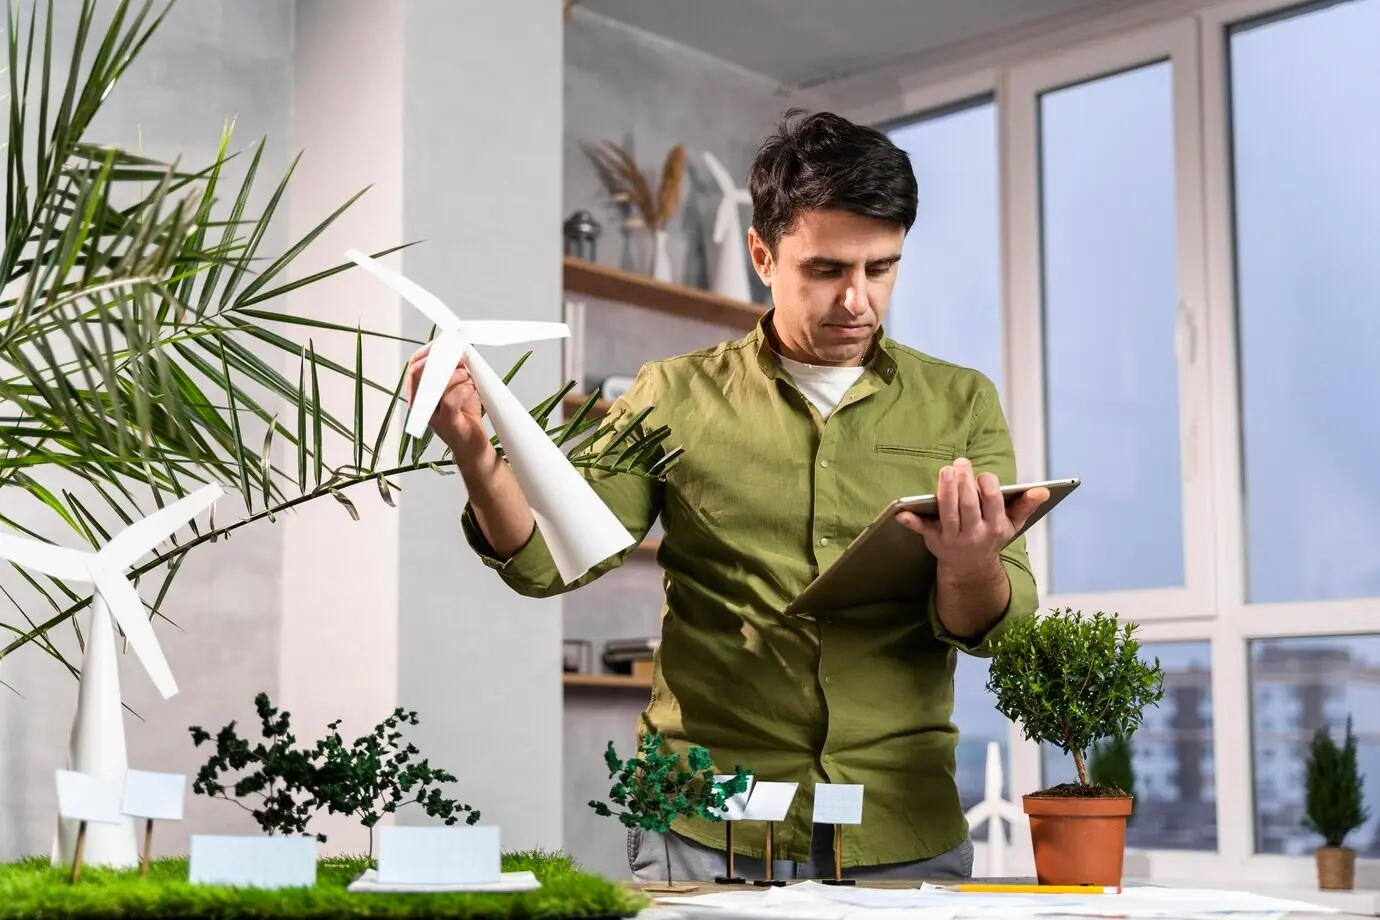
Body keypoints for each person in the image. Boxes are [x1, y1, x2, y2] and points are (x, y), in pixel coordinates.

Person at [406, 109, 1048, 882]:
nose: (858, 300)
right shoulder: (670, 395)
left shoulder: (961, 404)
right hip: (705, 826)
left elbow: (997, 628)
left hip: (899, 824)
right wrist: (473, 448)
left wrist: (972, 565)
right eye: (826, 270)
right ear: (761, 255)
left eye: (881, 269)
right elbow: (548, 561)